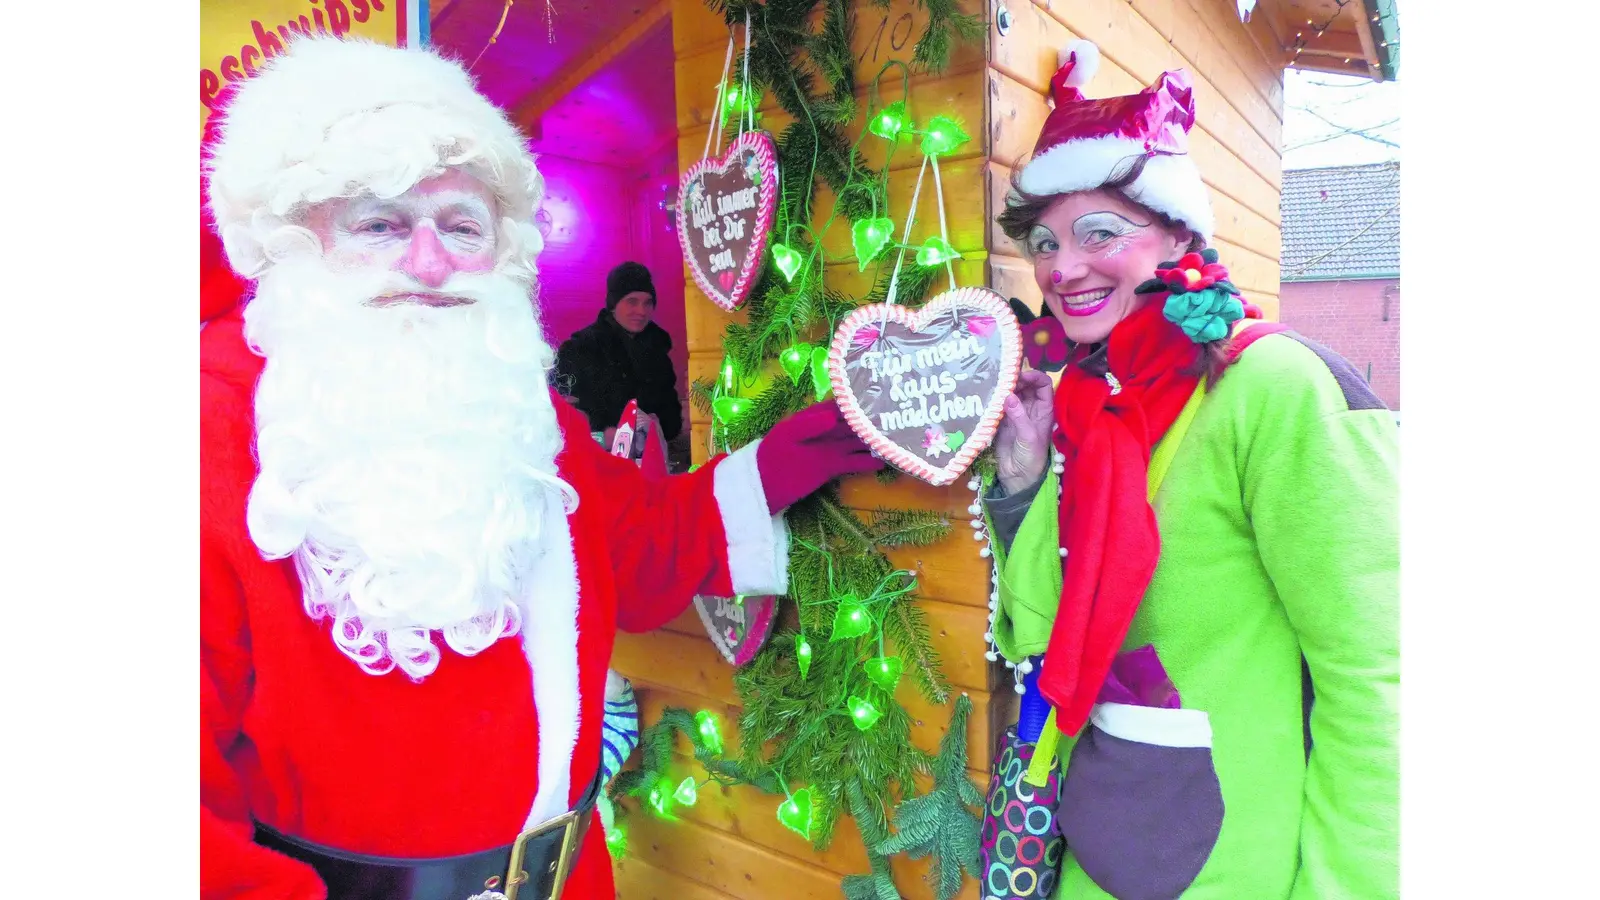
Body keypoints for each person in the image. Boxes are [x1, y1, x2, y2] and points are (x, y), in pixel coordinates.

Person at [200, 36, 883, 900]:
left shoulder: (521, 416)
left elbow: (646, 545)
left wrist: (808, 446)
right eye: (379, 223)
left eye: (462, 227)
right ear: (294, 241)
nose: (429, 262)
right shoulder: (207, 428)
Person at [980, 41, 1398, 899]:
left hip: (1237, 870)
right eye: (1045, 242)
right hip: (1094, 852)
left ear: (1178, 232)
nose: (1062, 268)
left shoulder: (1278, 388)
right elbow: (1044, 630)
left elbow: (1381, 680)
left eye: (1100, 232)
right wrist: (1023, 484)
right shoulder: (1090, 400)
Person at [554, 261, 683, 445]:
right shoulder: (580, 349)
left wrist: (658, 425)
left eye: (648, 303)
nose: (641, 311)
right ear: (613, 305)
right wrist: (601, 434)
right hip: (596, 456)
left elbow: (672, 417)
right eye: (632, 302)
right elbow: (562, 412)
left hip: (651, 455)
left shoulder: (657, 350)